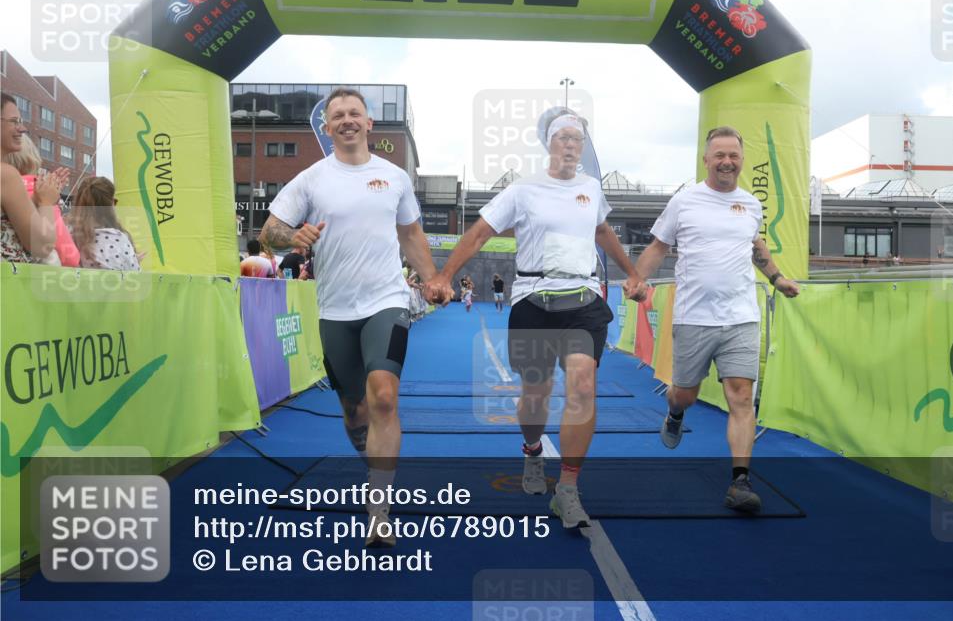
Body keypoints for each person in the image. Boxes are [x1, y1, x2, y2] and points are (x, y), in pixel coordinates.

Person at [425, 110, 646, 530]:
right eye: (562, 137)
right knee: (536, 397)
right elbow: (479, 234)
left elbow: (603, 233)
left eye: (576, 139)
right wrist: (444, 275)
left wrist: (631, 272)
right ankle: (531, 448)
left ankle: (567, 489)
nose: (570, 145)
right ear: (549, 143)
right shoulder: (523, 190)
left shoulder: (590, 189)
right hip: (533, 299)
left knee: (582, 383)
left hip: (583, 298)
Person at [259, 88, 442, 547]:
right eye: (337, 115)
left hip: (387, 301)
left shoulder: (394, 177)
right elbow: (269, 234)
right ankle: (366, 443)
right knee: (353, 409)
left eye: (354, 113)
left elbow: (411, 233)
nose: (346, 120)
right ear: (327, 127)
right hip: (335, 310)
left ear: (369, 124)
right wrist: (292, 235)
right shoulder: (311, 179)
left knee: (383, 397)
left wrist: (433, 278)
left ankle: (379, 511)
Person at [634, 126, 800, 513]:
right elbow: (659, 245)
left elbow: (755, 243)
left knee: (742, 396)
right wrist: (637, 279)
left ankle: (739, 482)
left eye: (734, 155)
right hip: (694, 317)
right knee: (685, 393)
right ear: (706, 160)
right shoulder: (685, 201)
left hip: (741, 316)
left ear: (742, 160)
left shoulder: (751, 204)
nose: (727, 161)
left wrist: (776, 277)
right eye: (719, 155)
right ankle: (675, 412)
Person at [0, 93, 64, 263]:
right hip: (8, 286)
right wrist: (46, 202)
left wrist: (33, 200)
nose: (22, 129)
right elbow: (41, 246)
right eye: (14, 121)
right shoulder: (6, 175)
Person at [3, 134, 78, 266]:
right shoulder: (42, 195)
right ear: (32, 157)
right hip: (26, 280)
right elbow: (69, 256)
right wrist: (48, 201)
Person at [65, 177, 141, 271]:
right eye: (114, 202)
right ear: (108, 207)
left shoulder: (66, 236)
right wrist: (131, 260)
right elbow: (136, 277)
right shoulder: (117, 239)